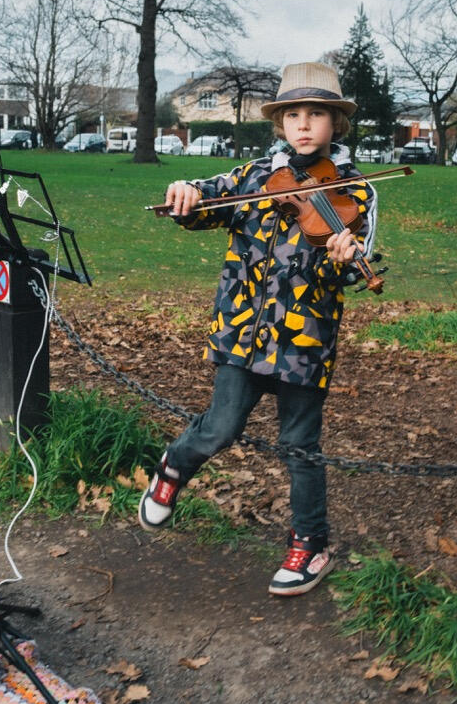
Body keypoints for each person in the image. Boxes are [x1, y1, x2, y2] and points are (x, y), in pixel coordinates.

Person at [138, 61, 376, 596]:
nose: (305, 124)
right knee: (220, 429)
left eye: (317, 114)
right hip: (241, 331)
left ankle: (310, 544)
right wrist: (186, 193)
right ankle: (175, 467)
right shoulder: (251, 177)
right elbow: (203, 203)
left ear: (335, 123)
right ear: (281, 123)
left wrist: (345, 254)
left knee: (299, 445)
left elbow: (352, 266)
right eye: (294, 114)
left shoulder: (355, 190)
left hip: (303, 340)